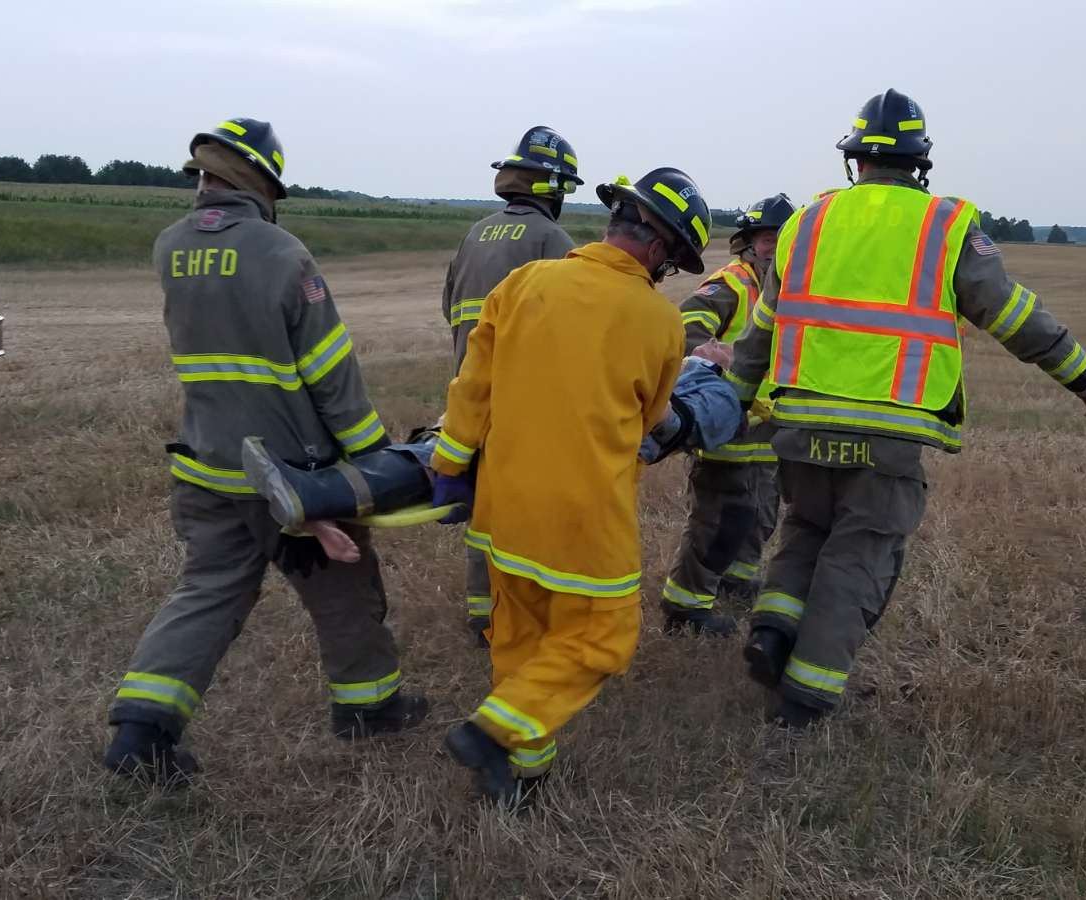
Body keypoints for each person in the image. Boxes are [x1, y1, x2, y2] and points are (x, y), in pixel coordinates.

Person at [727, 90, 1086, 729]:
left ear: (855, 161)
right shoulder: (945, 226)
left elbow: (761, 330)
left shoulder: (806, 223)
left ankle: (771, 631)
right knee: (861, 553)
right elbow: (1011, 313)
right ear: (920, 162)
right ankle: (804, 697)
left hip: (800, 425)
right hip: (889, 431)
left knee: (805, 530)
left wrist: (734, 400)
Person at [103, 118, 428, 786]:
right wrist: (374, 463)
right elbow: (330, 372)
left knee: (208, 591)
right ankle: (369, 710)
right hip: (292, 477)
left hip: (206, 464)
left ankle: (141, 732)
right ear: (261, 180)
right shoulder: (281, 254)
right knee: (345, 591)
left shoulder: (170, 246)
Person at [429, 168, 714, 805]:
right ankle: (497, 729)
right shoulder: (660, 323)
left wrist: (449, 467)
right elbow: (649, 423)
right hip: (584, 517)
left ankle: (523, 776)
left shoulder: (523, 283)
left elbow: (472, 390)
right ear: (660, 249)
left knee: (520, 638)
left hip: (504, 513)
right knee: (603, 635)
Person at [236, 342, 744, 549]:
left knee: (440, 460)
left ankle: (317, 495)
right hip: (563, 429)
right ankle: (318, 495)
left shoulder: (718, 394)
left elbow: (672, 427)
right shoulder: (676, 365)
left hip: (576, 446)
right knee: (441, 454)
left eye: (709, 353)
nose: (705, 347)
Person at [442, 126, 582, 644]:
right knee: (528, 511)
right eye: (563, 187)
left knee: (484, 507)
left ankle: (483, 611)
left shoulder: (475, 234)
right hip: (524, 399)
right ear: (550, 186)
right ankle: (522, 613)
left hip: (470, 390)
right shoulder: (552, 241)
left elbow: (450, 309)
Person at [660, 194, 795, 637]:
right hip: (730, 426)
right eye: (766, 237)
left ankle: (736, 581)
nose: (774, 246)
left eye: (782, 237)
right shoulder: (733, 283)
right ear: (749, 243)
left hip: (769, 429)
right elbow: (687, 326)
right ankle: (686, 606)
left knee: (760, 514)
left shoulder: (793, 289)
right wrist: (723, 376)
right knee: (718, 519)